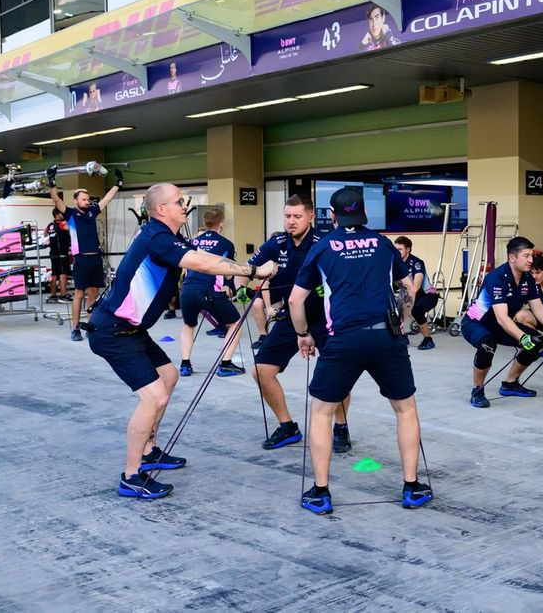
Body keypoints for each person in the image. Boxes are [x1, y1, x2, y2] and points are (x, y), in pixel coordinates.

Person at [87, 183, 277, 499]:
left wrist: (242, 271)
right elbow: (201, 264)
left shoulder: (168, 235)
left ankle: (149, 450)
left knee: (169, 376)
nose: (184, 205)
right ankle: (131, 475)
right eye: (178, 201)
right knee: (155, 397)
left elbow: (202, 254)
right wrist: (253, 270)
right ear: (161, 209)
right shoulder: (157, 237)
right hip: (113, 331)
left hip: (132, 330)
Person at [288, 187, 431, 515]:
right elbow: (407, 288)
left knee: (321, 413)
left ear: (332, 216)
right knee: (405, 409)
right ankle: (411, 487)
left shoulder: (323, 247)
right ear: (364, 213)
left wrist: (303, 335)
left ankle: (320, 493)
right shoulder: (383, 243)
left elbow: (296, 300)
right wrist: (403, 322)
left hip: (344, 339)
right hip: (386, 336)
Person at [248, 194, 349, 452]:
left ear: (311, 217)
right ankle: (287, 426)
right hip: (291, 317)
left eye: (297, 216)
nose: (291, 221)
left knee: (337, 375)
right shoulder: (276, 243)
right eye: (287, 216)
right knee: (261, 371)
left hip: (327, 318)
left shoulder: (326, 242)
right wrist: (247, 278)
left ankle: (341, 426)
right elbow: (246, 271)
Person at [460, 236, 543, 408]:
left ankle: (510, 383)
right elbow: (502, 317)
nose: (531, 260)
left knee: (537, 343)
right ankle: (478, 390)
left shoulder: (528, 279)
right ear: (512, 258)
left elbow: (539, 310)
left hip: (499, 324)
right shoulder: (497, 278)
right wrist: (522, 337)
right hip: (476, 322)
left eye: (531, 256)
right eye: (526, 256)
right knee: (487, 343)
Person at [49, 165, 122, 341]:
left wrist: (118, 183)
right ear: (76, 201)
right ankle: (75, 329)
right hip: (81, 259)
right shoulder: (70, 214)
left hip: (95, 258)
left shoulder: (92, 212)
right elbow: (56, 200)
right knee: (79, 294)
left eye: (88, 199)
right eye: (83, 199)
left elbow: (108, 198)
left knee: (94, 293)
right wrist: (52, 182)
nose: (87, 201)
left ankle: (90, 326)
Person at [177, 208, 246, 378]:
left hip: (187, 290)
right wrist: (229, 285)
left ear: (204, 223)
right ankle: (225, 364)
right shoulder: (226, 244)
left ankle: (185, 365)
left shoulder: (192, 242)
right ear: (221, 223)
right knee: (235, 324)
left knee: (188, 325)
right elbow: (229, 269)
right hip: (210, 290)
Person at [393, 236, 440, 351]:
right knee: (394, 310)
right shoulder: (395, 263)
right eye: (395, 249)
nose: (397, 252)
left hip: (428, 295)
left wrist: (407, 306)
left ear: (408, 249)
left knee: (416, 310)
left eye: (400, 249)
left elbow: (415, 288)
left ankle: (428, 340)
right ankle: (403, 337)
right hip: (408, 294)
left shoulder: (417, 263)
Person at [45, 208, 72, 304]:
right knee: (63, 273)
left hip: (53, 252)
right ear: (58, 214)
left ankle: (53, 296)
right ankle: (63, 296)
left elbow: (45, 236)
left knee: (54, 273)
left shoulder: (49, 226)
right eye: (62, 213)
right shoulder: (62, 224)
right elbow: (71, 228)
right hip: (62, 252)